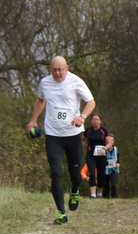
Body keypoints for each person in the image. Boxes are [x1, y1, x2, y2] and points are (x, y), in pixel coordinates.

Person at [26, 56, 95, 224]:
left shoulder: (76, 81)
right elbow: (40, 100)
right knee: (55, 174)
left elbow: (91, 102)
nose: (57, 73)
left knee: (75, 175)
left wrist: (82, 117)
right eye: (54, 70)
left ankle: (75, 190)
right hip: (53, 135)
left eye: (60, 69)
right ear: (50, 69)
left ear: (67, 68)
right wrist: (33, 120)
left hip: (73, 135)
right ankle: (60, 213)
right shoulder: (45, 83)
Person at [83, 113, 110, 198]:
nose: (95, 121)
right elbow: (82, 140)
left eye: (97, 119)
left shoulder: (104, 130)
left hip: (101, 155)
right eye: (94, 119)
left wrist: (104, 149)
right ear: (91, 121)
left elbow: (109, 143)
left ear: (100, 121)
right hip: (91, 155)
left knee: (101, 174)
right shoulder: (88, 131)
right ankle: (93, 194)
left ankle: (99, 192)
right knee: (91, 173)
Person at [102, 134, 120, 199]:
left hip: (113, 169)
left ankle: (114, 197)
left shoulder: (116, 149)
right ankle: (105, 197)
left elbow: (118, 158)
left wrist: (118, 164)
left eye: (112, 140)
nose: (111, 141)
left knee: (113, 184)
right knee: (106, 185)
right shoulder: (103, 149)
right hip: (105, 169)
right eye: (109, 140)